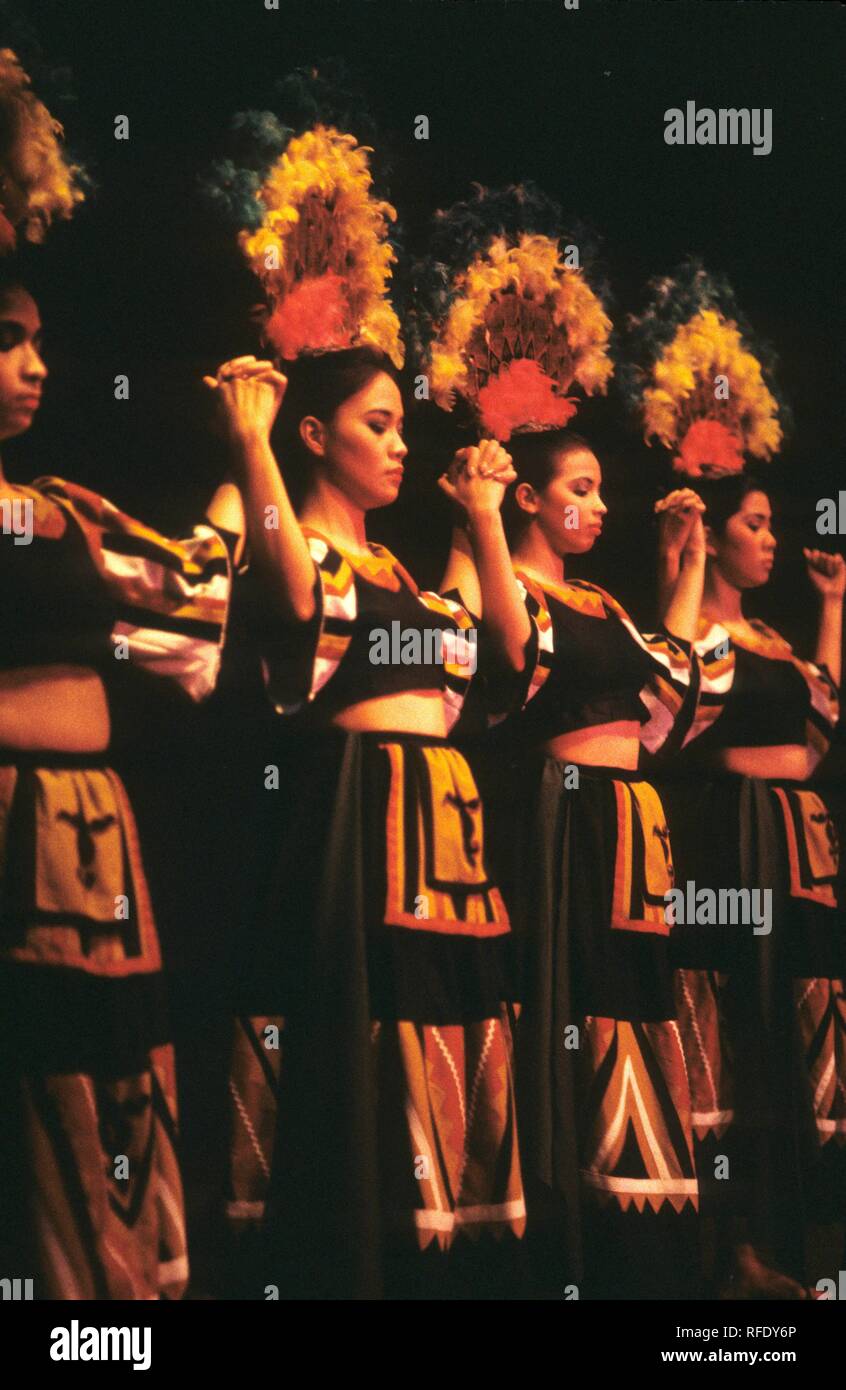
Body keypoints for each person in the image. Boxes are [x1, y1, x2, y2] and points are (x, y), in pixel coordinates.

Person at [205, 345, 528, 1299]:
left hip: (445, 840)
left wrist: (483, 515)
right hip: (355, 819)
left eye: (400, 424)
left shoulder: (405, 573)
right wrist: (250, 446)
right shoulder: (292, 542)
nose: (397, 445)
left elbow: (506, 655)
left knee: (444, 1029)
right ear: (314, 435)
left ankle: (445, 1267)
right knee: (361, 1033)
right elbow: (293, 604)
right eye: (375, 425)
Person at [0, 267, 233, 1298]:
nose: (35, 365)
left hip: (90, 837)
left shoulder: (59, 509)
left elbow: (190, 583)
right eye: (8, 339)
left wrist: (247, 448)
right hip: (10, 830)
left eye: (39, 341)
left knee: (104, 1075)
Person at [439, 427, 707, 1298]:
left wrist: (681, 563)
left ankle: (635, 1254)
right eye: (578, 489)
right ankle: (568, 1249)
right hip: (564, 825)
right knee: (574, 1006)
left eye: (599, 493)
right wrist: (479, 517)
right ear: (529, 497)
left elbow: (675, 689)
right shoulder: (512, 586)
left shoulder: (600, 598)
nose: (595, 507)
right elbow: (512, 662)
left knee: (630, 1005)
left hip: (630, 835)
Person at [657, 473, 845, 1297]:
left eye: (773, 524)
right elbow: (670, 703)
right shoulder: (696, 626)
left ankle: (789, 1241)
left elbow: (822, 722)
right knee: (731, 1025)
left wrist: (835, 606)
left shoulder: (769, 633)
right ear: (719, 536)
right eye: (757, 524)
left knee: (790, 1028)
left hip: (796, 837)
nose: (772, 539)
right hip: (726, 832)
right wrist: (684, 557)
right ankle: (729, 1250)